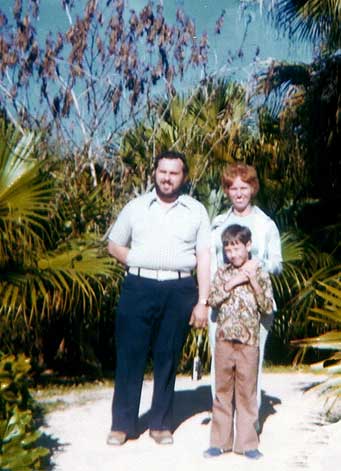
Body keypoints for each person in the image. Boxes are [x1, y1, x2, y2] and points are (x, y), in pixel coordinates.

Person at [106, 150, 211, 446]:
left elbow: (204, 256)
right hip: (138, 286)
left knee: (168, 356)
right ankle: (122, 424)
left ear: (184, 177)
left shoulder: (196, 211)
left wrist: (203, 302)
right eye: (162, 171)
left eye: (174, 173)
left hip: (179, 291)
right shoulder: (136, 207)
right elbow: (114, 245)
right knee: (130, 356)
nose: (167, 177)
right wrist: (138, 259)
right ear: (155, 173)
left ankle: (161, 424)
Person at [209, 163, 282, 404]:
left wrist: (256, 266)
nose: (239, 193)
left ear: (253, 189)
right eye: (233, 188)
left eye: (244, 187)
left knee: (252, 365)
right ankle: (223, 426)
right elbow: (211, 262)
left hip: (256, 304)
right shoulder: (217, 223)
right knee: (220, 364)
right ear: (227, 191)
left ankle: (250, 426)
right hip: (223, 305)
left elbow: (277, 264)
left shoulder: (266, 224)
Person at [204, 224, 274, 459]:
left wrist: (252, 281)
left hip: (249, 341)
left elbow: (266, 307)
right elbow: (212, 299)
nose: (233, 254)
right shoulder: (222, 273)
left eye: (237, 248)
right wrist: (233, 282)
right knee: (223, 391)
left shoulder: (260, 273)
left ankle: (247, 444)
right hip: (224, 339)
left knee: (247, 392)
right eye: (228, 250)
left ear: (248, 246)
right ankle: (219, 441)